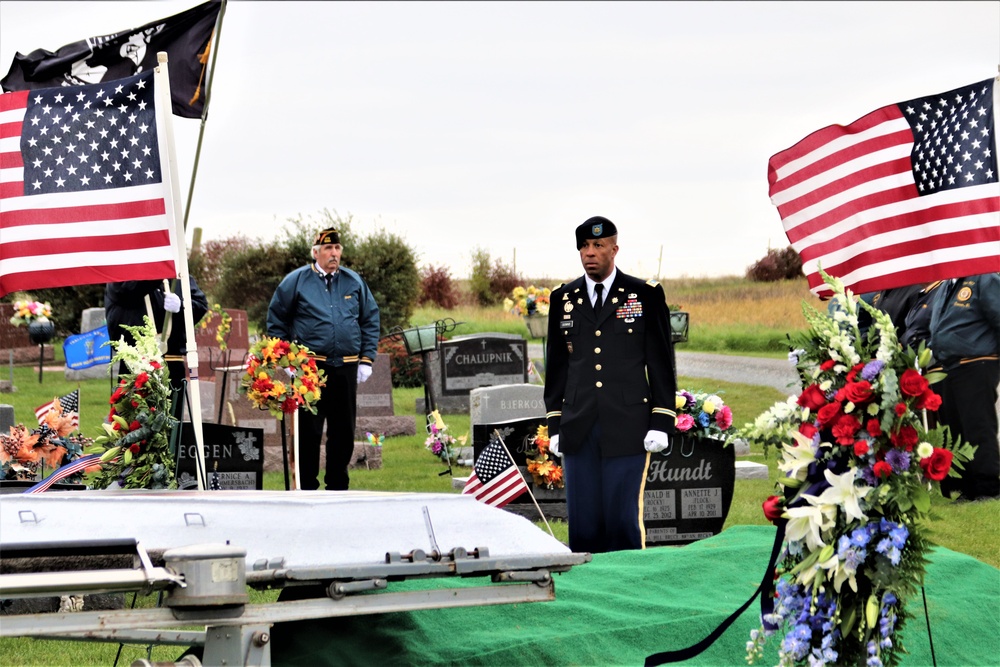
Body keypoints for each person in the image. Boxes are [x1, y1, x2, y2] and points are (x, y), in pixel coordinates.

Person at [543, 216, 677, 553]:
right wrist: (555, 424)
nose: (590, 253)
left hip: (627, 424)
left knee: (621, 522)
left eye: (598, 246)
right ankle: (588, 599)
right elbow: (557, 366)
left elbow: (660, 362)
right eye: (585, 247)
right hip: (578, 425)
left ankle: (629, 593)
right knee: (584, 525)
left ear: (614, 249)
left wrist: (662, 420)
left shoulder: (643, 294)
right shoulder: (564, 298)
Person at [266, 227, 380, 491]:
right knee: (309, 430)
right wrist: (288, 360)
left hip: (347, 367)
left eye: (337, 248)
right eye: (328, 249)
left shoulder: (354, 282)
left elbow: (370, 319)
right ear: (315, 252)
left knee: (343, 430)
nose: (334, 254)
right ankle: (306, 486)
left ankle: (338, 485)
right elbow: (277, 320)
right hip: (311, 368)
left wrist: (366, 359)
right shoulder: (296, 281)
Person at [928, 273, 1000, 501]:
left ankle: (988, 486)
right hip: (948, 365)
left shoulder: (984, 278)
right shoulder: (945, 285)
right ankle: (968, 486)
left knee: (977, 427)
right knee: (957, 429)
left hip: (976, 362)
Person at [104, 278, 209, 419]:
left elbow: (200, 304)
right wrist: (157, 274)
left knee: (172, 421)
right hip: (136, 364)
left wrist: (182, 307)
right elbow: (127, 291)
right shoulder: (124, 273)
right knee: (135, 423)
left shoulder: (177, 273)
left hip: (171, 362)